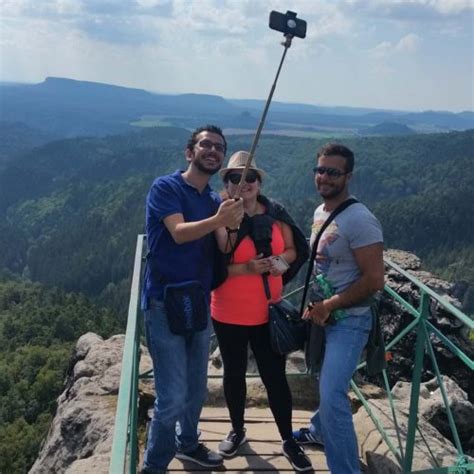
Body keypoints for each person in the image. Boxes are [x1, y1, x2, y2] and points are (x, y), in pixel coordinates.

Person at [141, 125, 244, 474]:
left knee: (196, 388)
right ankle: (154, 466)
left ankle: (188, 444)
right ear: (190, 152)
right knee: (171, 397)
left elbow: (223, 246)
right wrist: (219, 217)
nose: (213, 150)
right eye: (206, 145)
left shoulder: (214, 199)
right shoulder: (165, 187)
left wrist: (231, 223)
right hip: (163, 302)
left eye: (219, 147)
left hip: (198, 300)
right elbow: (179, 233)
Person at [210, 151, 313, 472]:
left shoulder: (276, 215)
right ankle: (238, 430)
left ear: (260, 182)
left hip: (267, 312)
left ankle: (287, 439)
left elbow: (295, 250)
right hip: (227, 311)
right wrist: (250, 267)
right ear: (225, 183)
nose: (244, 183)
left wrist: (276, 267)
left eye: (250, 177)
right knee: (234, 374)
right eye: (235, 178)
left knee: (275, 379)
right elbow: (217, 265)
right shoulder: (221, 215)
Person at [293, 143, 384, 474]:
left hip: (350, 321)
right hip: (325, 317)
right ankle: (319, 431)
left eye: (333, 171)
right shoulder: (321, 211)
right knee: (324, 381)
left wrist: (329, 304)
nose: (324, 177)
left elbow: (375, 280)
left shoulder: (361, 220)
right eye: (320, 170)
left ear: (348, 176)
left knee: (333, 396)